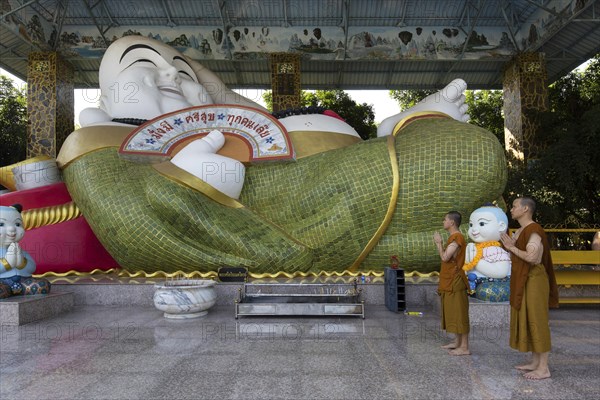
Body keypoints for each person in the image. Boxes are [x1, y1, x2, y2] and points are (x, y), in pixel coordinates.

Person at [45, 35, 507, 275]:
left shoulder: (227, 119)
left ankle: (397, 132)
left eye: (183, 72)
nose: (170, 75)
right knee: (472, 154)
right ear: (102, 107)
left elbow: (245, 114)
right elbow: (135, 231)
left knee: (479, 196)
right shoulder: (98, 146)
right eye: (146, 66)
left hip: (339, 167)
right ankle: (408, 141)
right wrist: (184, 185)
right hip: (292, 198)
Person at [500, 197, 559, 380]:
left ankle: (543, 368)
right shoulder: (520, 231)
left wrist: (512, 247)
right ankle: (535, 362)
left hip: (534, 279)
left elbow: (533, 257)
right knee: (528, 318)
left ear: (525, 209)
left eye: (515, 206)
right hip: (523, 279)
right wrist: (510, 246)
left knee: (537, 319)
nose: (511, 209)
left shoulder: (534, 230)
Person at [433, 211, 470, 356]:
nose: (443, 222)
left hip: (456, 280)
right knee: (453, 312)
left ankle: (465, 347)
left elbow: (445, 257)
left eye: (445, 219)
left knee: (459, 313)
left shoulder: (457, 238)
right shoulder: (453, 237)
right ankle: (457, 342)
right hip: (450, 280)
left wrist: (438, 243)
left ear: (452, 223)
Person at [0, 204, 51, 298]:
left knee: (43, 285)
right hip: (2, 282)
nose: (12, 229)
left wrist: (21, 263)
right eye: (1, 224)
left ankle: (17, 290)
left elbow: (32, 267)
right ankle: (7, 291)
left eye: (17, 224)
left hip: (23, 281)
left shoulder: (20, 250)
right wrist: (7, 263)